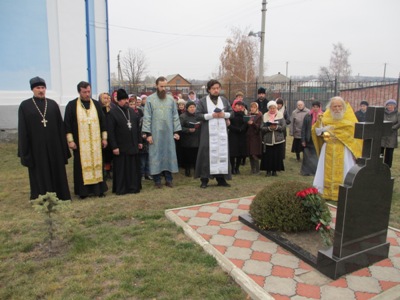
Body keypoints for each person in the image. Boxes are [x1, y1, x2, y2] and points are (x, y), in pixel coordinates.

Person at [18, 76, 71, 201]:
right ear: (33, 89)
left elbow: (60, 127)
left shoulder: (52, 104)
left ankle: (61, 195)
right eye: (38, 88)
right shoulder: (25, 106)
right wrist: (25, 152)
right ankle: (42, 197)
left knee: (57, 170)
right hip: (37, 148)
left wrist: (64, 149)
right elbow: (23, 130)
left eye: (43, 87)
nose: (41, 90)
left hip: (55, 146)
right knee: (40, 173)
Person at [312, 96, 363, 201]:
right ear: (330, 107)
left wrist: (340, 137)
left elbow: (353, 135)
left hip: (343, 149)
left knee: (345, 170)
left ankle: (342, 193)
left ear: (343, 107)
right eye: (334, 106)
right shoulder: (325, 117)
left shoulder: (349, 118)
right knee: (324, 171)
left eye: (339, 106)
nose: (337, 108)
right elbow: (321, 134)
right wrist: (326, 133)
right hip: (328, 149)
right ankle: (325, 192)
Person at [64, 81, 108, 199]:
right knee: (81, 167)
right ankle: (83, 192)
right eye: (84, 92)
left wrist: (104, 138)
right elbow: (67, 124)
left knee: (97, 164)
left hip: (95, 143)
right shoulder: (72, 105)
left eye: (89, 91)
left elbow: (103, 122)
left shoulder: (96, 105)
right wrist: (70, 141)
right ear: (79, 92)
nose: (87, 94)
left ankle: (99, 190)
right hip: (80, 143)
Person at [142, 76, 182, 188]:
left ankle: (169, 179)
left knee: (169, 153)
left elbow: (175, 116)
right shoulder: (150, 99)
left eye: (165, 86)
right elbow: (147, 117)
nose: (163, 88)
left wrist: (177, 131)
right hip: (155, 133)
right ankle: (157, 181)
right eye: (161, 86)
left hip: (168, 133)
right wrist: (148, 134)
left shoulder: (171, 99)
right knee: (156, 155)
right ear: (156, 86)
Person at [195, 79, 234, 188]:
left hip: (221, 133)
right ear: (209, 90)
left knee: (222, 153)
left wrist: (224, 115)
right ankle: (204, 179)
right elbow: (197, 115)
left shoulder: (224, 100)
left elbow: (232, 113)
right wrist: (211, 115)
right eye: (213, 88)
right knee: (206, 154)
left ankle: (221, 179)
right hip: (207, 132)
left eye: (217, 88)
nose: (216, 90)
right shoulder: (202, 101)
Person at [108, 89, 142, 195]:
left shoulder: (131, 111)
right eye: (123, 99)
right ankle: (122, 188)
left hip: (133, 145)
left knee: (133, 167)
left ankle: (133, 187)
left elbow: (136, 128)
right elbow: (111, 131)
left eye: (126, 99)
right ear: (118, 101)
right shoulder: (112, 113)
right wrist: (114, 146)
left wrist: (139, 141)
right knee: (122, 168)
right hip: (120, 146)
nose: (125, 101)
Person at [260, 101, 286, 176]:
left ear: (276, 108)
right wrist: (269, 128)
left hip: (278, 140)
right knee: (268, 156)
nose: (272, 110)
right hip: (268, 140)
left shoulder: (280, 115)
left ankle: (275, 171)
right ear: (268, 108)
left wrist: (277, 127)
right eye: (271, 108)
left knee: (276, 156)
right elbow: (261, 127)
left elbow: (284, 127)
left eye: (274, 108)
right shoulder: (265, 116)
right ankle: (268, 171)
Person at [300, 101, 322, 176]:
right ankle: (306, 171)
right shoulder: (308, 116)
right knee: (307, 155)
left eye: (317, 107)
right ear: (312, 107)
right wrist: (303, 140)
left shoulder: (322, 116)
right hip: (308, 138)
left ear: (319, 107)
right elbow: (303, 128)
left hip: (318, 139)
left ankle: (315, 171)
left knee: (316, 156)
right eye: (314, 107)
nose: (315, 108)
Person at [179, 101, 201, 177]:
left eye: (194, 107)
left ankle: (196, 170)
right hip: (187, 140)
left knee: (196, 156)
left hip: (197, 139)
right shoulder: (183, 116)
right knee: (187, 156)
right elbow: (179, 127)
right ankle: (187, 170)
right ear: (187, 108)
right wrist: (188, 130)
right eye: (190, 107)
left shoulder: (198, 116)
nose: (192, 109)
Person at [228, 100, 248, 174]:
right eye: (238, 105)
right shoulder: (231, 114)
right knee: (233, 153)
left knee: (240, 153)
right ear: (234, 106)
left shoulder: (244, 115)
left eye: (241, 106)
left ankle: (237, 168)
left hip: (241, 135)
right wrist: (237, 129)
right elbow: (229, 125)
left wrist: (241, 129)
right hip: (233, 135)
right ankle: (232, 168)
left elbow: (246, 124)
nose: (240, 107)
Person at [381, 99, 400, 168]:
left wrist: (392, 128)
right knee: (380, 151)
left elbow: (399, 123)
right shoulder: (383, 113)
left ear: (394, 106)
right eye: (388, 105)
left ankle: (387, 167)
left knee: (389, 152)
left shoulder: (397, 114)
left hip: (392, 135)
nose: (389, 106)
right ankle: (379, 165)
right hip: (383, 135)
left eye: (391, 105)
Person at [99, 92, 113, 180]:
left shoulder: (113, 109)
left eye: (108, 98)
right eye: (104, 98)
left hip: (111, 134)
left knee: (109, 155)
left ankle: (109, 171)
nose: (107, 100)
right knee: (103, 154)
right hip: (102, 134)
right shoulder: (99, 109)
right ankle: (103, 171)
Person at [246, 102, 263, 175]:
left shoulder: (259, 116)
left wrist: (253, 124)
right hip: (249, 136)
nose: (252, 109)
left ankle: (257, 170)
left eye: (254, 107)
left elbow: (259, 127)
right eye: (251, 107)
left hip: (256, 137)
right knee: (250, 153)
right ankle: (252, 169)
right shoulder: (248, 115)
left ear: (257, 108)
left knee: (254, 153)